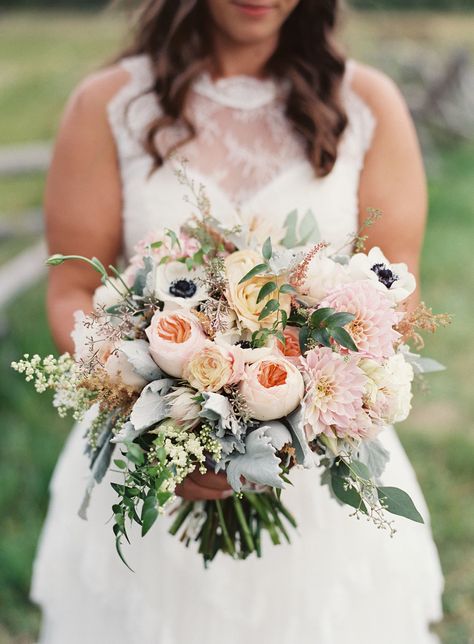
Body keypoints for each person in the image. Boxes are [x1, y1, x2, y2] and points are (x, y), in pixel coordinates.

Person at [32, 1, 444, 642]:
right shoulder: (107, 105)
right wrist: (166, 415)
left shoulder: (367, 104)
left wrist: (299, 411)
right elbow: (73, 290)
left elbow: (396, 288)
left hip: (319, 459)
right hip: (154, 461)